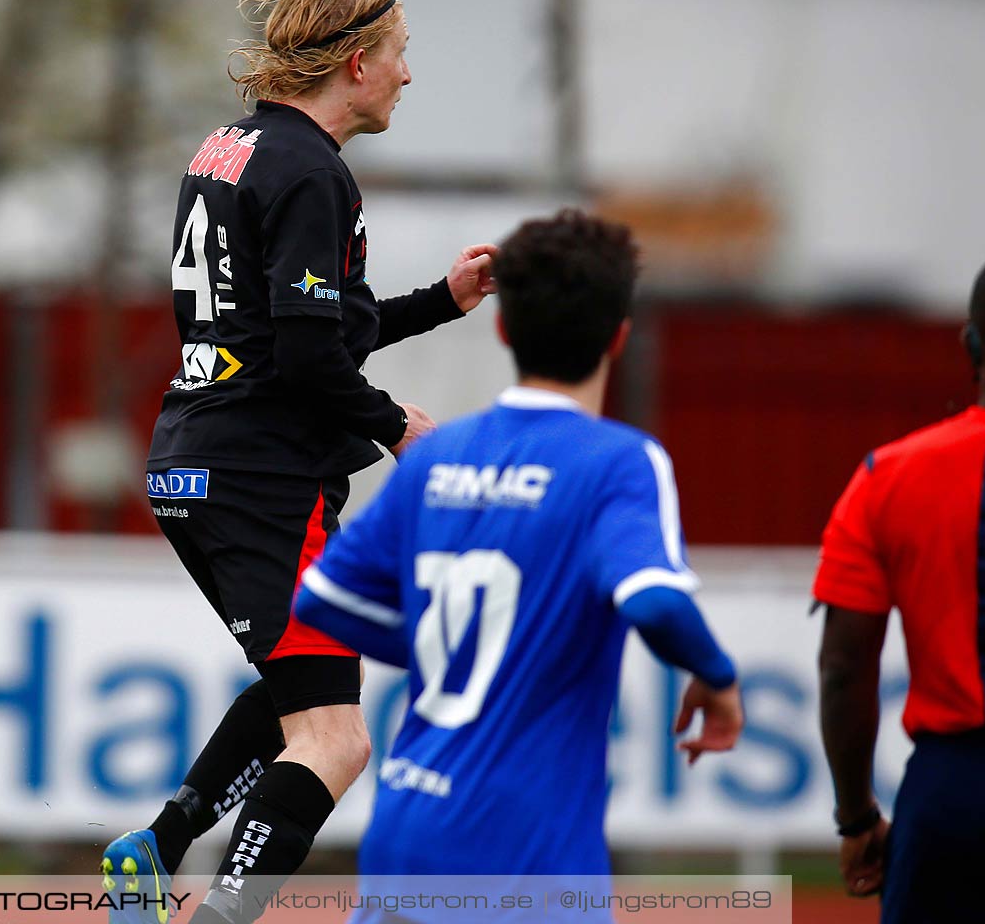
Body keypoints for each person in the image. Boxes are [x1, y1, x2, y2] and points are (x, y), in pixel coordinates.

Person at [102, 0, 500, 924]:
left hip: (201, 455)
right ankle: (219, 912)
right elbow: (312, 358)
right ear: (357, 62)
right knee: (335, 740)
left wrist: (440, 304)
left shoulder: (233, 147)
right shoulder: (313, 172)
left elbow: (298, 326)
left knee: (305, 690)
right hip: (258, 474)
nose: (409, 75)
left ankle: (157, 846)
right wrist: (397, 425)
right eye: (402, 54)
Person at [293, 209, 743, 916]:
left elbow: (322, 599)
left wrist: (450, 647)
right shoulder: (619, 462)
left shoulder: (437, 454)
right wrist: (716, 677)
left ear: (503, 329)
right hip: (525, 852)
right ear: (619, 335)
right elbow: (654, 600)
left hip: (406, 831)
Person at [814, 245, 985, 921]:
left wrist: (857, 820)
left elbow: (845, 666)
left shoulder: (885, 476)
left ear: (970, 341)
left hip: (947, 792)